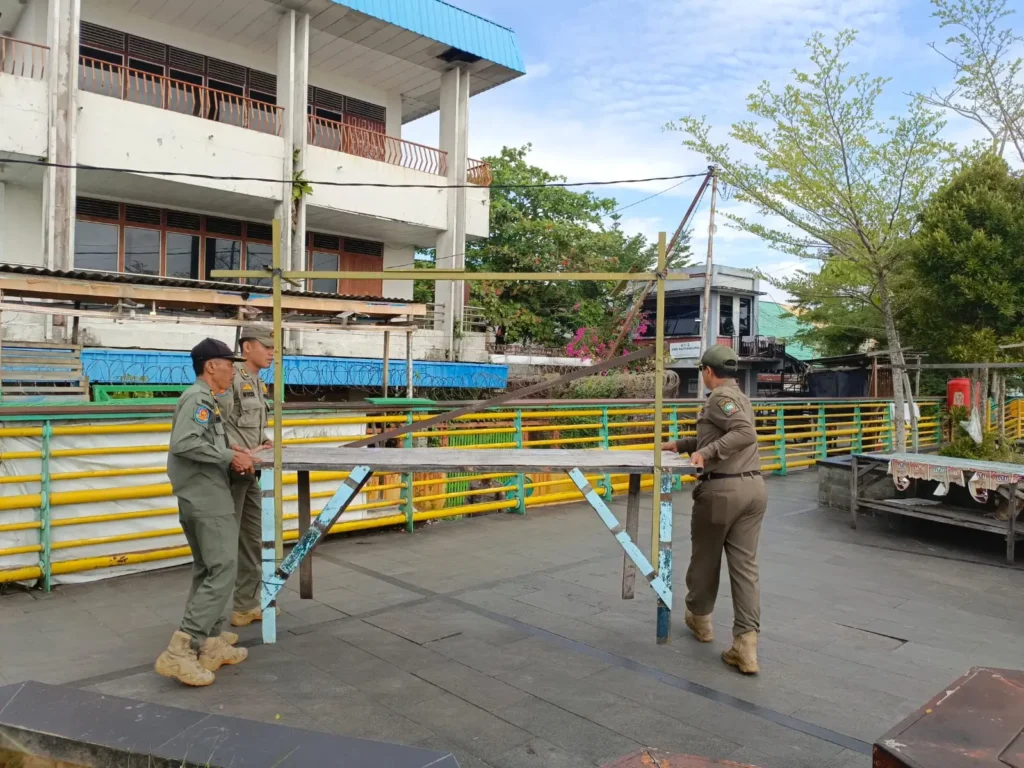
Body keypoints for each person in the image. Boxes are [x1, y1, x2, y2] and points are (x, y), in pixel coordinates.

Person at [662, 344, 766, 674]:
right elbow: (721, 432)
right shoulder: (740, 396)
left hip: (723, 490)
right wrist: (683, 445)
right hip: (753, 490)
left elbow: (743, 434)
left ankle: (700, 620)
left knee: (706, 559)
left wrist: (706, 455)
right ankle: (746, 645)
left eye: (701, 372)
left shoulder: (718, 398)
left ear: (708, 372)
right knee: (745, 568)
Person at [155, 338, 253, 687]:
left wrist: (231, 447)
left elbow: (203, 439)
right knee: (224, 567)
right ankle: (181, 649)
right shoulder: (198, 398)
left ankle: (209, 642)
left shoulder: (205, 399)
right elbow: (184, 443)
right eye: (229, 364)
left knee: (208, 567)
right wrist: (229, 457)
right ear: (212, 366)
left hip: (200, 493)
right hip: (205, 496)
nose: (233, 370)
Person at [224, 324, 275, 628]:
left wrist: (264, 441)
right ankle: (209, 621)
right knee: (223, 543)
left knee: (252, 539)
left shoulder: (258, 383)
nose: (271, 352)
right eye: (266, 346)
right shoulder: (232, 379)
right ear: (247, 348)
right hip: (233, 470)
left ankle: (245, 605)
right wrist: (236, 451)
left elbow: (251, 425)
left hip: (252, 470)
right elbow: (218, 425)